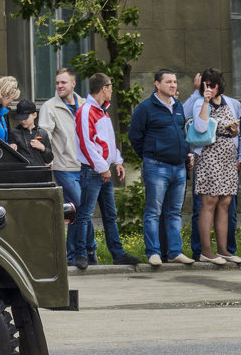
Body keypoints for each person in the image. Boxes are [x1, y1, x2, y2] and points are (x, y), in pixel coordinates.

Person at [72, 73, 141, 269]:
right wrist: (103, 168)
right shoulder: (87, 111)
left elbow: (108, 142)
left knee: (109, 214)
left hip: (102, 171)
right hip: (93, 171)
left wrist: (117, 161)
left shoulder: (102, 111)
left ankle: (117, 253)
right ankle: (80, 254)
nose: (112, 90)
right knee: (85, 214)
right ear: (103, 88)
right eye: (110, 87)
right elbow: (86, 144)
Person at [127, 69, 195, 267]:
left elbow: (181, 134)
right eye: (168, 82)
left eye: (175, 81)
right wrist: (150, 155)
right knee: (153, 211)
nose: (173, 85)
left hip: (179, 168)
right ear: (157, 84)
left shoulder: (178, 106)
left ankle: (174, 252)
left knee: (174, 212)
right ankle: (154, 252)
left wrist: (186, 153)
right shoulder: (146, 108)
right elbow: (134, 136)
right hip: (156, 167)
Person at [40, 68, 91, 266]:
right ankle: (81, 252)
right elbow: (44, 134)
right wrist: (48, 155)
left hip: (85, 166)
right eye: (57, 83)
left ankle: (81, 254)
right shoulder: (49, 107)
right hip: (63, 166)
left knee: (79, 211)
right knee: (81, 207)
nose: (60, 86)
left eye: (63, 82)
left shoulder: (85, 105)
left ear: (73, 84)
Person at [189, 69, 240, 265]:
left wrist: (234, 131)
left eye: (212, 85)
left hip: (227, 159)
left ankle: (223, 249)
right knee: (209, 202)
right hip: (210, 158)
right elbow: (201, 128)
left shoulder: (227, 103)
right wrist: (204, 101)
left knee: (225, 202)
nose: (209, 88)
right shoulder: (200, 103)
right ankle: (205, 251)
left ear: (219, 85)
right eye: (206, 85)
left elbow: (233, 132)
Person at [8, 100, 53, 167]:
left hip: (39, 173)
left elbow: (49, 159)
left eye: (25, 117)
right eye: (20, 118)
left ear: (34, 115)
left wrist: (43, 148)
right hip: (21, 173)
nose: (23, 121)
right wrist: (11, 148)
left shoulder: (42, 133)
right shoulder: (14, 133)